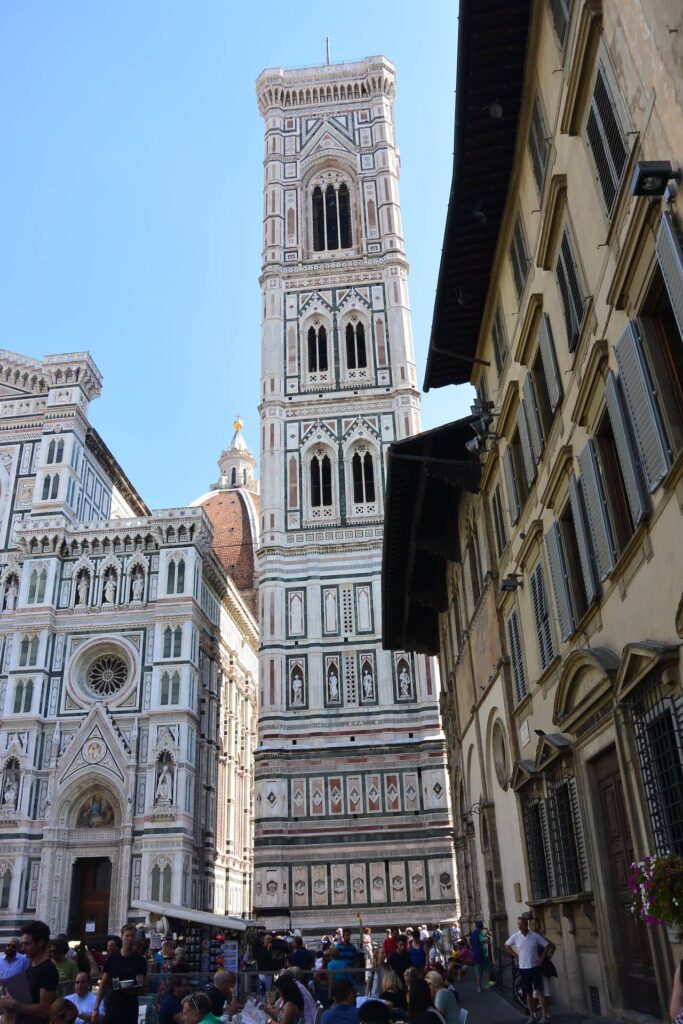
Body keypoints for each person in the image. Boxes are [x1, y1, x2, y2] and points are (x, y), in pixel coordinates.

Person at [0, 920, 59, 1023]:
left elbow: (45, 1010)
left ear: (40, 942)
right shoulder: (30, 966)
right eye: (23, 944)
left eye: (27, 944)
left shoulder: (48, 969)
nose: (23, 948)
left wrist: (15, 1004)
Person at [92, 923, 147, 1024]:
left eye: (132, 936)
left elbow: (143, 985)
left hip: (130, 1005)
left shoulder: (140, 960)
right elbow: (103, 983)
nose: (129, 938)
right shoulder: (112, 958)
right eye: (127, 935)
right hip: (114, 1003)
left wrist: (136, 988)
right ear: (122, 937)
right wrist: (96, 1007)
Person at [504, 916, 555, 1024]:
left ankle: (544, 1015)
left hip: (535, 968)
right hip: (523, 968)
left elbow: (547, 945)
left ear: (526, 924)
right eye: (518, 924)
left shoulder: (534, 936)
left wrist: (541, 959)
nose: (520, 926)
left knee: (539, 992)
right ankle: (532, 1015)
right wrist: (514, 954)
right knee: (528, 993)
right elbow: (506, 945)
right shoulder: (516, 936)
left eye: (521, 924)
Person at [469, 922, 492, 993]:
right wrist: (488, 939)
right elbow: (482, 941)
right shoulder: (480, 933)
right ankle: (488, 985)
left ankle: (479, 988)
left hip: (475, 955)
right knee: (487, 970)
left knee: (478, 972)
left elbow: (474, 942)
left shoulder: (473, 934)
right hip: (482, 954)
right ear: (481, 927)